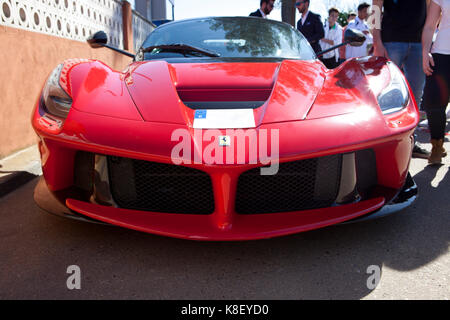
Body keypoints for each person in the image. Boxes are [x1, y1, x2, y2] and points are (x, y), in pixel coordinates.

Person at [372, 0, 430, 159]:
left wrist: (427, 44)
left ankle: (411, 142)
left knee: (416, 95)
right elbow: (375, 8)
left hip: (419, 44)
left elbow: (431, 9)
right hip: (391, 42)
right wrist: (377, 41)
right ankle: (385, 145)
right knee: (387, 96)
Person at [421, 0, 449, 164]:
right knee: (435, 103)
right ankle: (437, 145)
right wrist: (425, 52)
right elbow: (430, 26)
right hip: (442, 54)